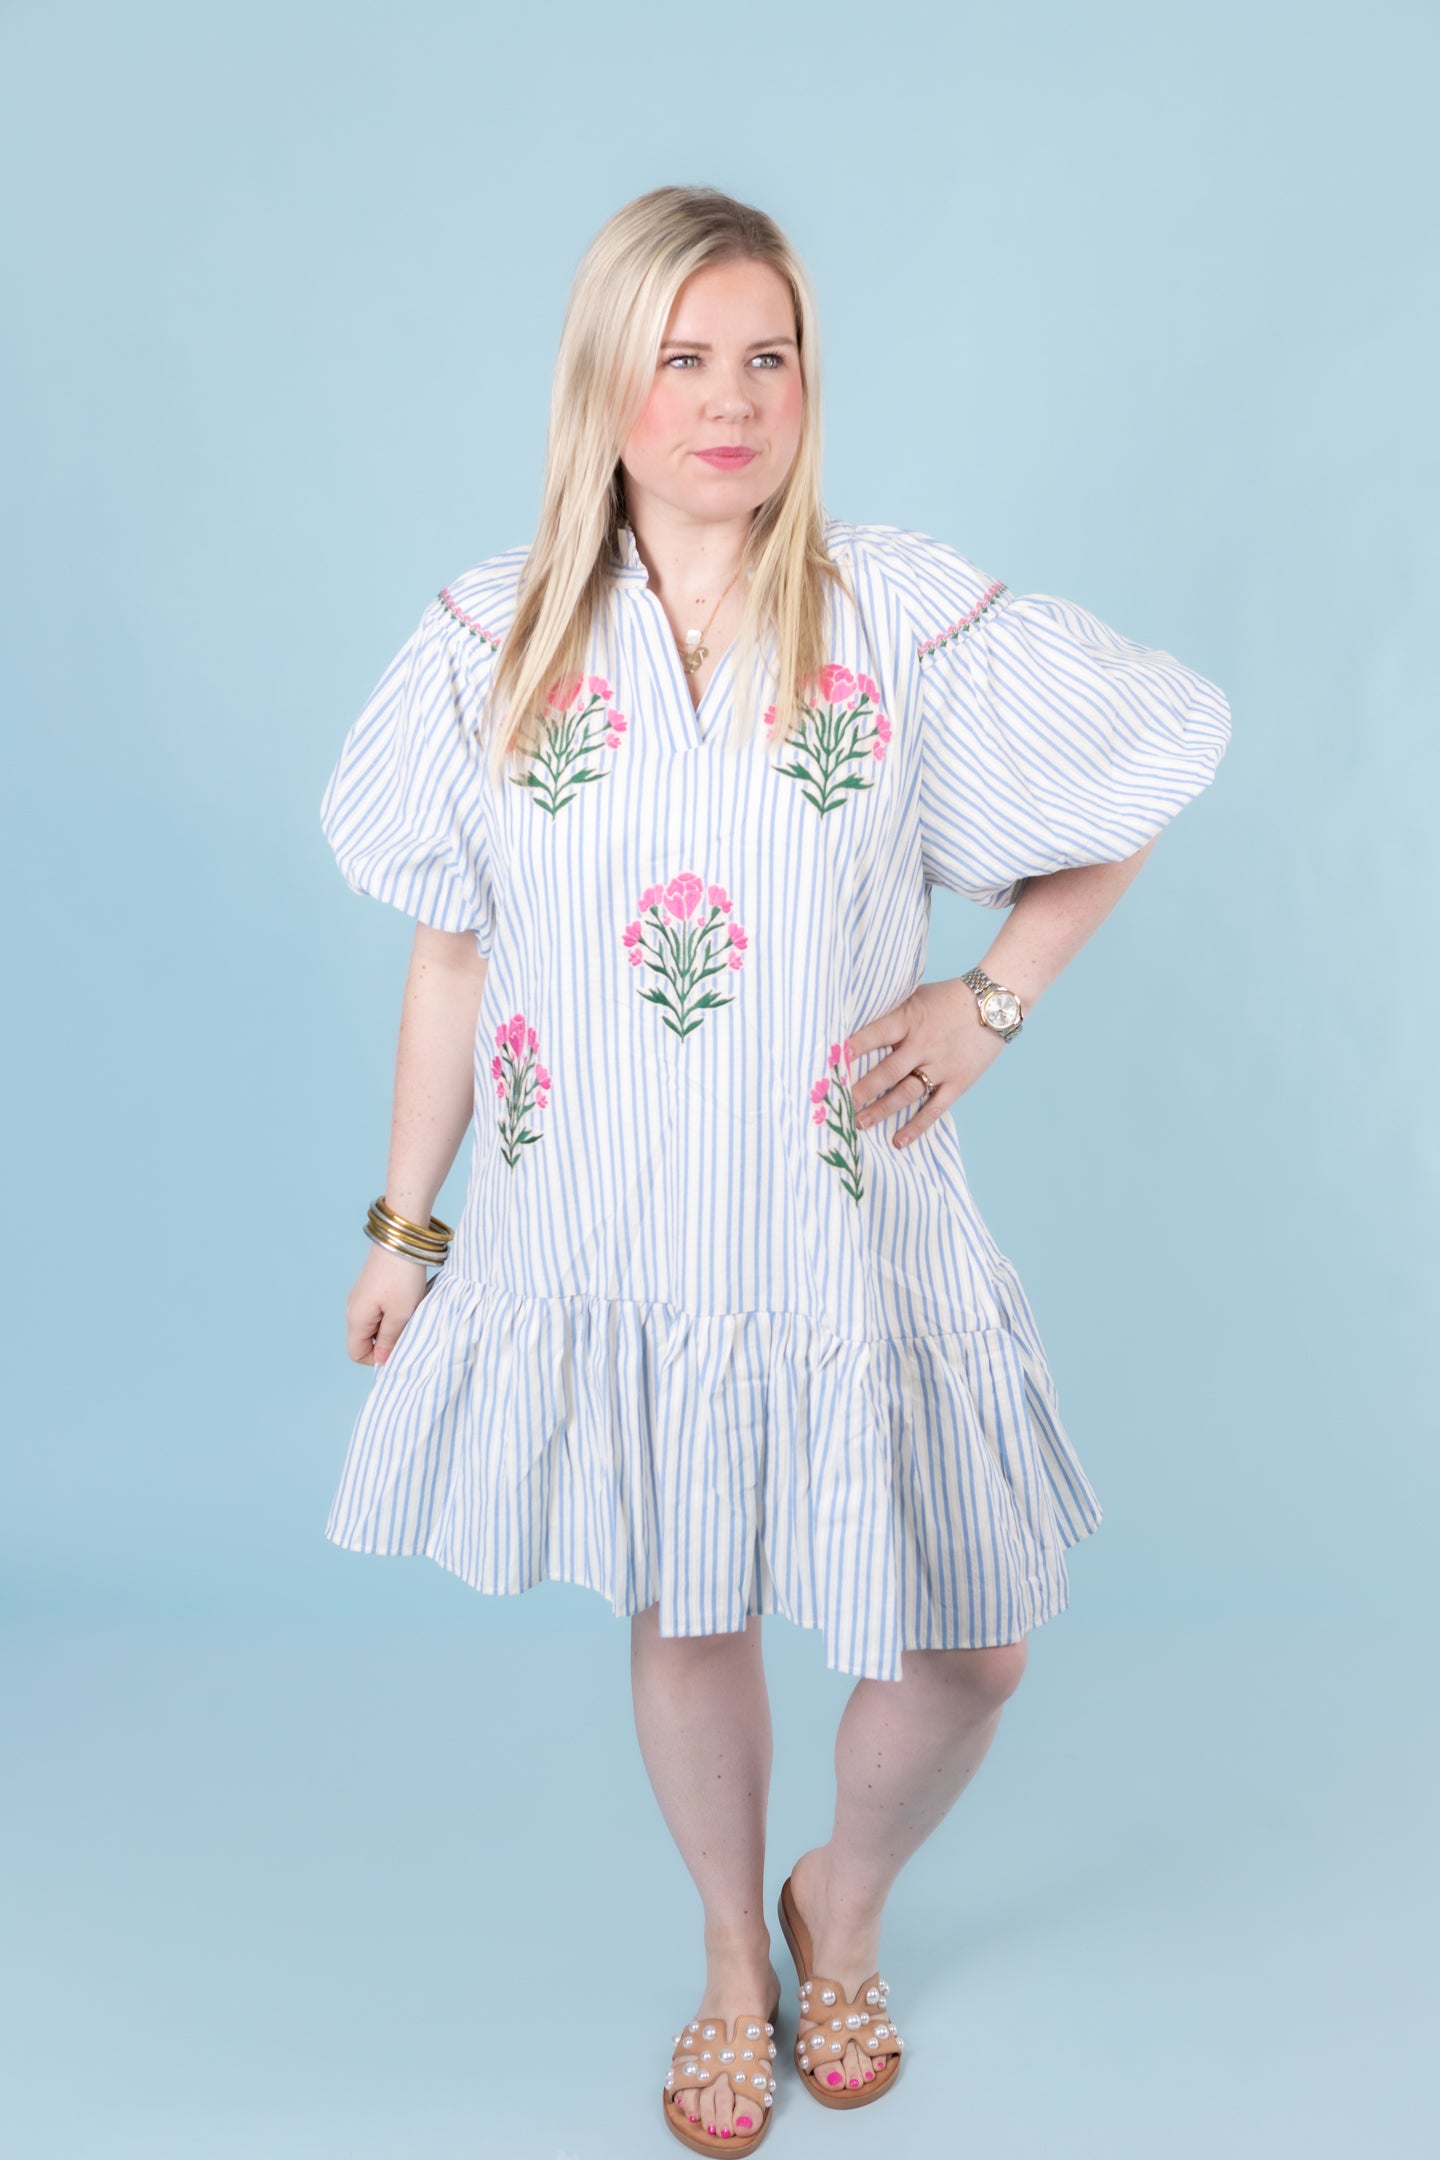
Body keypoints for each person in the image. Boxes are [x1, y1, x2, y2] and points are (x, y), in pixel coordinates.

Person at [317, 185, 1230, 2149]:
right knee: (689, 1602)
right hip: (616, 1231)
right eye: (685, 357)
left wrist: (995, 994)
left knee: (973, 1644)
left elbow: (1141, 763)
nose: (732, 400)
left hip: (854, 1227)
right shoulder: (491, 632)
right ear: (604, 381)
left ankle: (846, 1900)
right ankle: (739, 1957)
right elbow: (454, 952)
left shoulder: (896, 611)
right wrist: (408, 1221)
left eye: (769, 356)